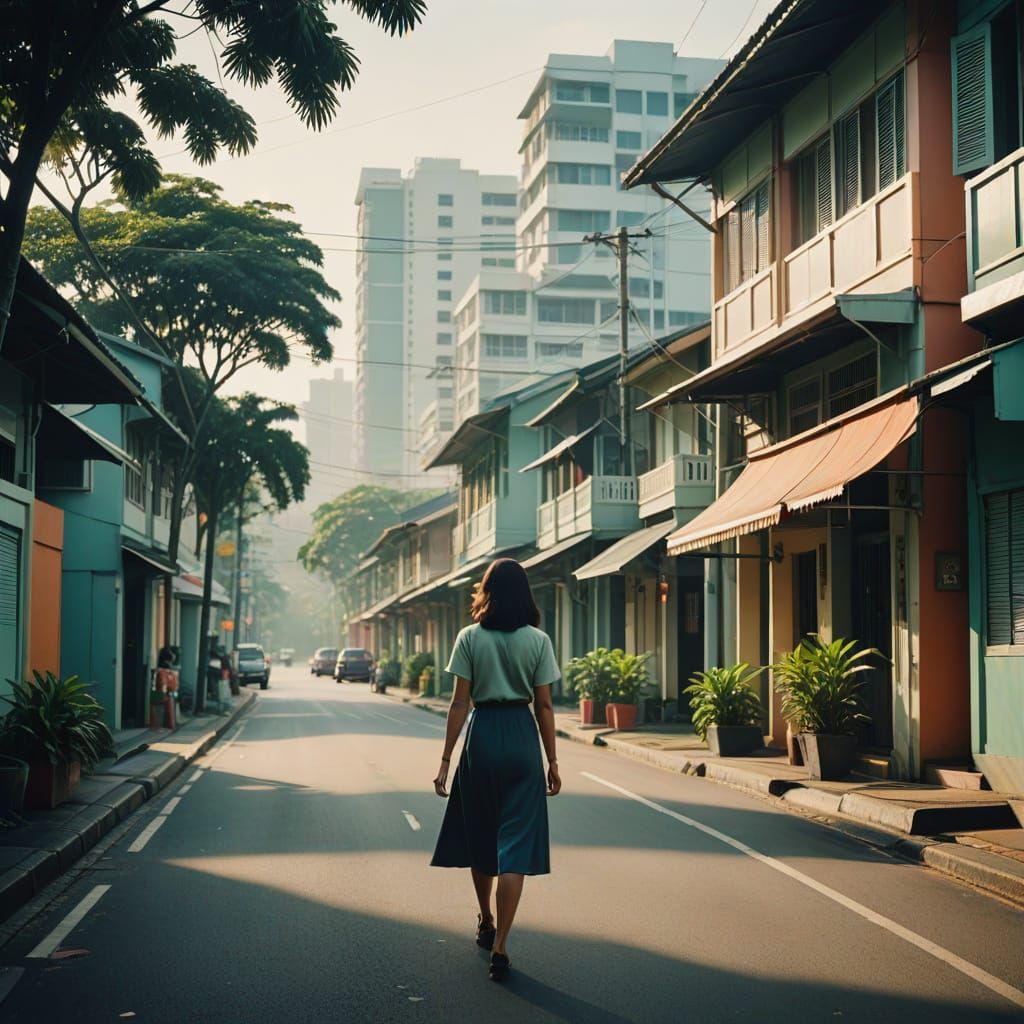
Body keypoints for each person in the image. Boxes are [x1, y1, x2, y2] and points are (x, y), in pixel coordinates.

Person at [430, 558, 561, 982]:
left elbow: (458, 704)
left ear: (485, 592)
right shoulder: (539, 641)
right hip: (522, 739)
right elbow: (543, 705)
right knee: (516, 849)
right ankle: (501, 945)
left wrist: (446, 759)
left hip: (482, 736)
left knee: (481, 836)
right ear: (525, 594)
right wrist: (553, 760)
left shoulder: (468, 638)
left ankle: (485, 918)